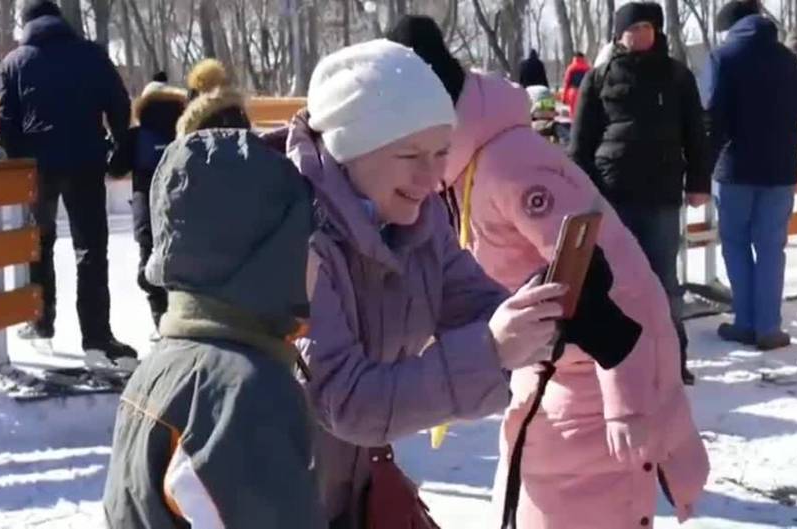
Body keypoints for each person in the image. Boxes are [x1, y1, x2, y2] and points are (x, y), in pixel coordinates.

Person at [389, 15, 709, 529]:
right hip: (551, 366)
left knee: (579, 505)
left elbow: (613, 273)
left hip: (596, 375)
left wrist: (625, 399)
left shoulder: (508, 167)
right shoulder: (460, 168)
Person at [288, 39, 566, 528]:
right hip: (267, 497)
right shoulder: (295, 238)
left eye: (441, 153)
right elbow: (344, 399)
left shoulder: (417, 216)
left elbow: (471, 300)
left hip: (349, 483)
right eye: (410, 154)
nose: (433, 176)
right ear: (351, 149)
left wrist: (542, 307)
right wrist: (491, 351)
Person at [103, 108, 326, 528]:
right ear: (268, 255)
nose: (317, 258)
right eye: (307, 239)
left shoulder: (166, 363)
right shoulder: (245, 393)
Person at [570, 2, 709, 385]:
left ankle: (672, 357)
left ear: (657, 32)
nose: (640, 34)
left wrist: (699, 183)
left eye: (647, 27)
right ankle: (621, 360)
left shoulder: (677, 76)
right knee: (614, 279)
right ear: (618, 35)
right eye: (633, 28)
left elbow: (696, 133)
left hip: (662, 195)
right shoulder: (597, 80)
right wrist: (580, 194)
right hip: (611, 195)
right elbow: (580, 144)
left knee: (664, 279)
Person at [0, 0, 136, 365]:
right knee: (91, 250)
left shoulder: (15, 62)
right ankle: (96, 336)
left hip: (38, 169)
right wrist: (119, 144)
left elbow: (7, 120)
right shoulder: (91, 54)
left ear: (25, 23)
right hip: (86, 161)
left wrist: (19, 160)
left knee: (38, 245)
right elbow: (118, 103)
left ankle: (40, 323)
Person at [703, 0, 797, 350]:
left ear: (731, 26)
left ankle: (745, 322)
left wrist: (703, 164)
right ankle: (769, 326)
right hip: (781, 167)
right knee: (771, 247)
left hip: (735, 168)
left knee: (735, 243)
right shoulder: (789, 60)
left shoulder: (724, 58)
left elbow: (712, 116)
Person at [108, 73, 187, 334]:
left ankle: (159, 322)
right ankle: (182, 320)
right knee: (182, 266)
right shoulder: (185, 132)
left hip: (148, 214)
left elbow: (116, 168)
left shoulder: (137, 135)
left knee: (150, 265)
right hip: (183, 211)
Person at [561, 52, 591, 120]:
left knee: (573, 115)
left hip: (573, 92)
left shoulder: (571, 68)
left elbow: (566, 82)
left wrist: (564, 97)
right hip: (585, 91)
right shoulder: (588, 68)